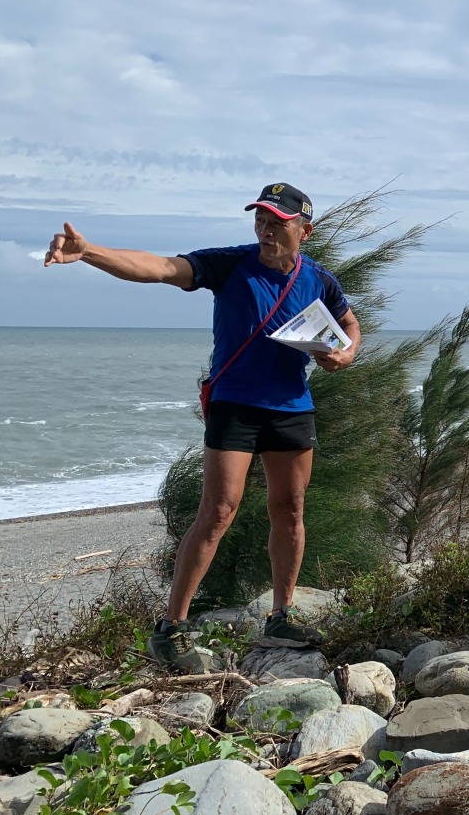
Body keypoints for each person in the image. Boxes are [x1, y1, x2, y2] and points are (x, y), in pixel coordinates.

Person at [44, 183, 361, 668]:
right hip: (235, 403)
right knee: (218, 511)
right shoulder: (230, 263)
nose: (265, 229)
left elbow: (349, 323)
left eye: (277, 222)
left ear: (304, 230)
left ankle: (282, 615)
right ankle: (170, 627)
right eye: (260, 220)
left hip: (292, 406)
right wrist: (90, 252)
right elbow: (160, 268)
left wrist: (346, 353)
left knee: (290, 509)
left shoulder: (318, 278)